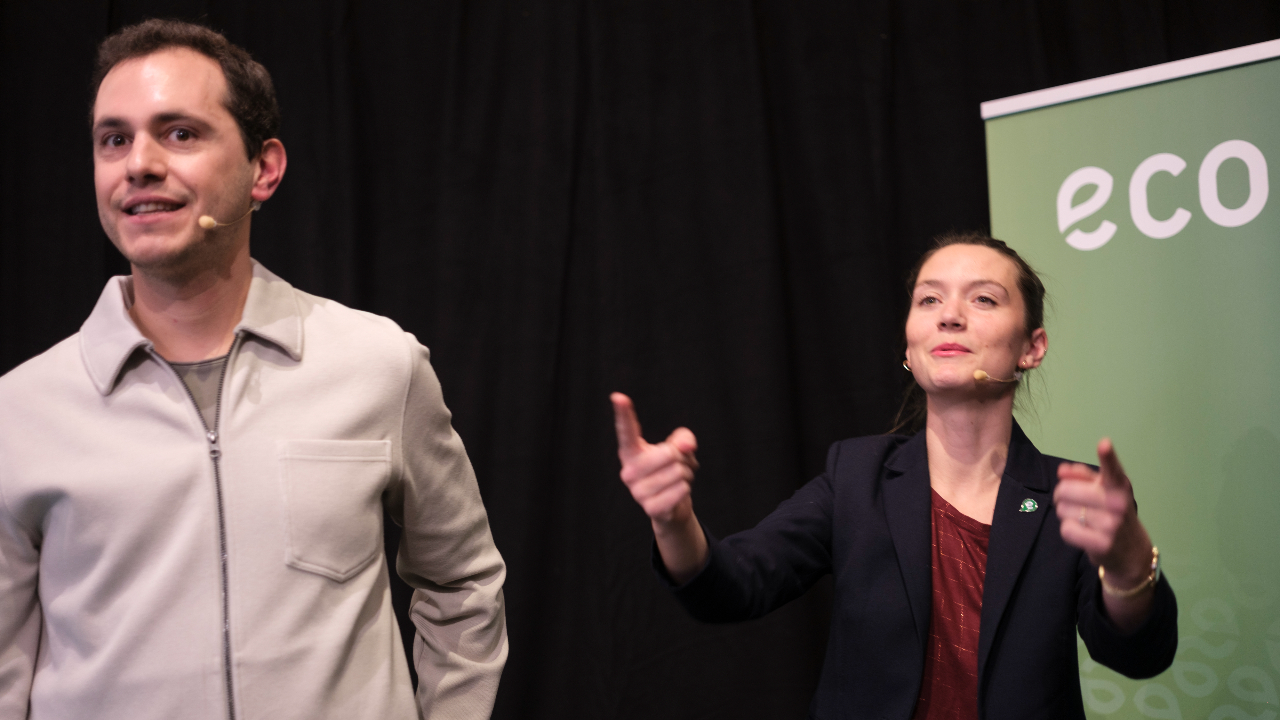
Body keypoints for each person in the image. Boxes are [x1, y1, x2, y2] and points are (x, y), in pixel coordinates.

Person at [0, 19, 506, 720]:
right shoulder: (21, 411)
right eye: (114, 139)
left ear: (263, 170)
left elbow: (463, 585)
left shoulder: (377, 365)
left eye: (179, 133)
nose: (139, 163)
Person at [611, 232, 1176, 719]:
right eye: (929, 299)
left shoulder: (1071, 495)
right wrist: (673, 521)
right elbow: (733, 586)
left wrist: (1130, 566)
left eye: (983, 298)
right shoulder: (856, 477)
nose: (949, 315)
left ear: (1032, 347)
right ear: (910, 342)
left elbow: (1139, 656)